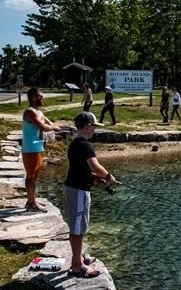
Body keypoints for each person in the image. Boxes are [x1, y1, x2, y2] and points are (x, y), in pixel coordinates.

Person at [63, 112, 117, 278]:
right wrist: (108, 177)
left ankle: (77, 258)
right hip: (79, 191)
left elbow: (81, 169)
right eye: (94, 126)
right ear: (88, 126)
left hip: (70, 187)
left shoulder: (74, 144)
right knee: (78, 228)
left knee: (75, 226)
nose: (95, 130)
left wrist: (95, 179)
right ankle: (78, 266)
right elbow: (94, 166)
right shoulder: (86, 145)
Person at [22, 87, 70, 212]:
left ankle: (31, 201)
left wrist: (67, 127)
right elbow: (43, 127)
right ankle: (31, 204)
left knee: (35, 176)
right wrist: (54, 128)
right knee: (31, 177)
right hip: (30, 149)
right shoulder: (30, 112)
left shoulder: (39, 112)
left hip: (37, 148)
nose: (43, 98)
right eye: (40, 96)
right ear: (33, 98)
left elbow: (51, 124)